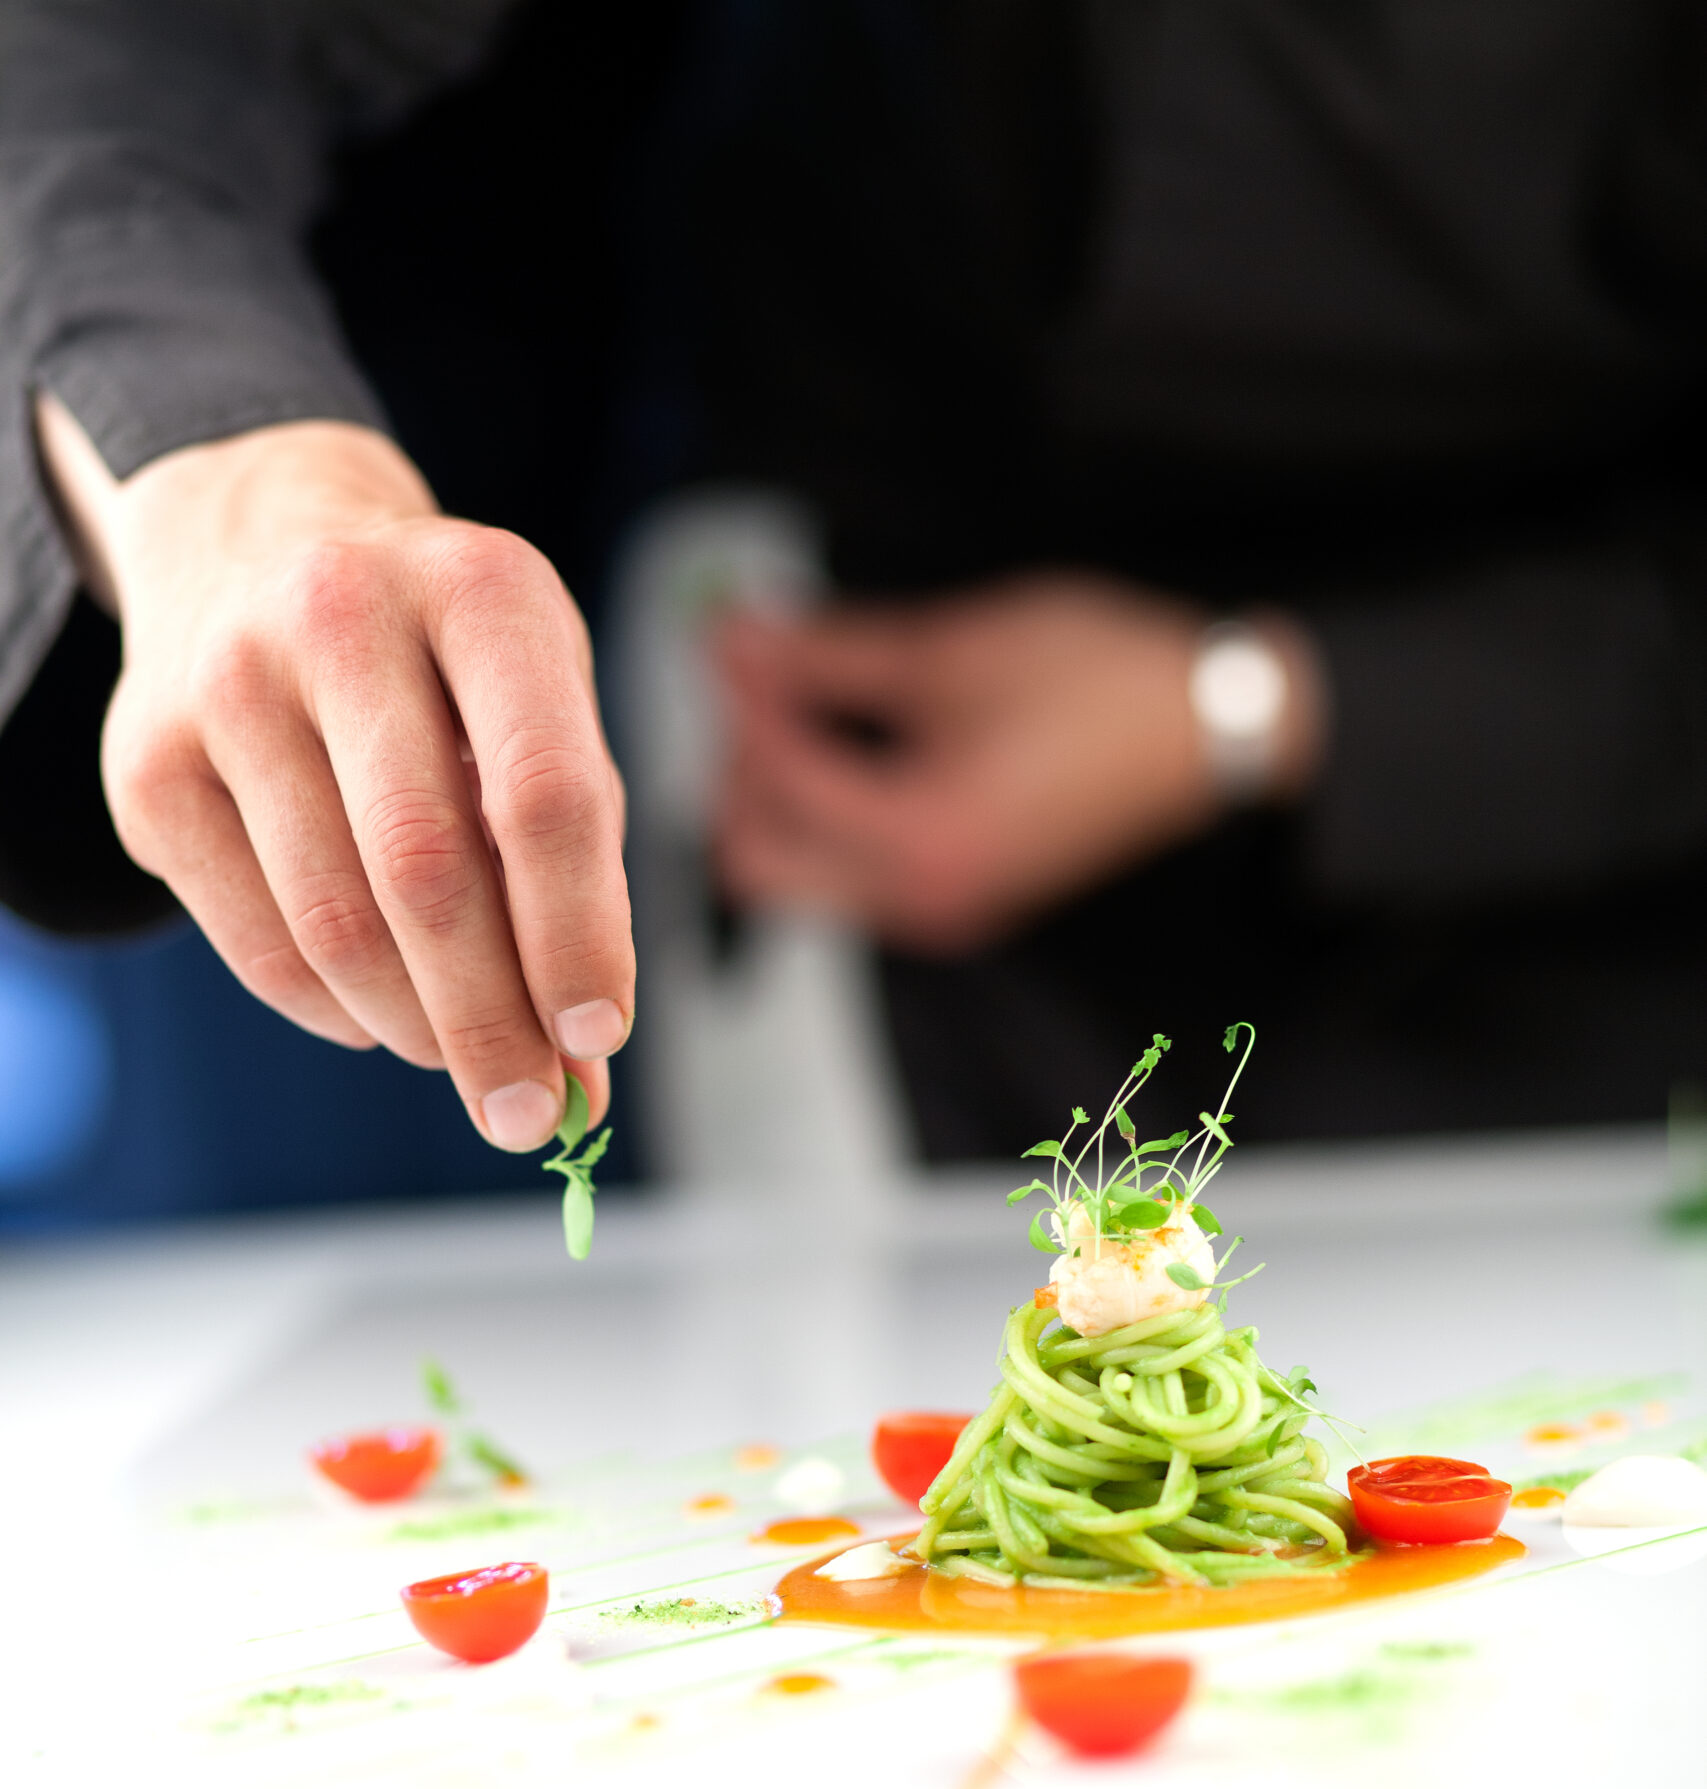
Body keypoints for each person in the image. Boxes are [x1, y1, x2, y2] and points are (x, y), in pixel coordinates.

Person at [3, 1, 1706, 1165]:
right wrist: (219, 446)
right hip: (813, 775)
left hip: (1595, 875)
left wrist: (1259, 701)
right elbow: (138, 41)